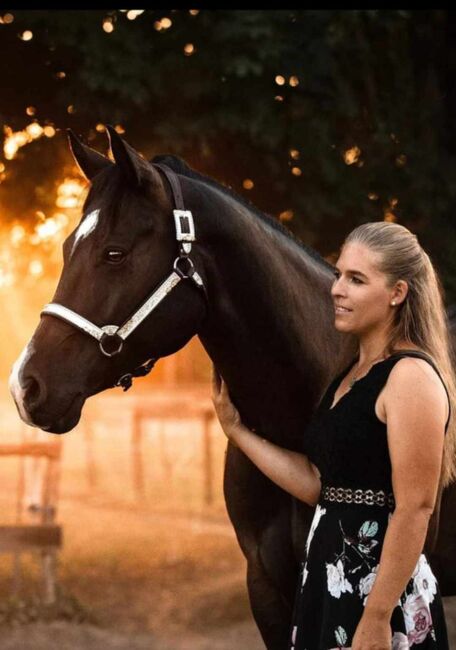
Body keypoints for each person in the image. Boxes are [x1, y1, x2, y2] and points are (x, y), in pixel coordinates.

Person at [211, 221, 455, 650]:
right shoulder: (350, 376)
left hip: (380, 595)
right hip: (330, 584)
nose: (336, 289)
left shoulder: (410, 377)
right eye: (339, 273)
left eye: (356, 279)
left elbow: (416, 507)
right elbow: (322, 487)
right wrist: (236, 431)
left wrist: (378, 615)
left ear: (397, 293)